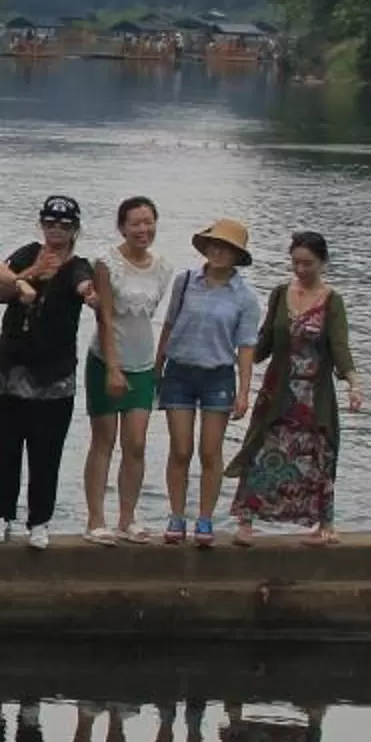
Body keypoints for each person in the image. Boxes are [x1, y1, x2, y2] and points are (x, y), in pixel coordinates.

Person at [229, 231, 366, 544]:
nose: (301, 270)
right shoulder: (279, 293)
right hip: (278, 393)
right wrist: (233, 361)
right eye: (296, 263)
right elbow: (262, 342)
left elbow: (340, 347)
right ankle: (246, 521)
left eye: (308, 264)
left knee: (317, 457)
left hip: (313, 396)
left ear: (323, 263)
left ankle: (324, 524)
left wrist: (354, 384)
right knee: (262, 452)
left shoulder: (332, 300)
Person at [0, 195, 97, 550]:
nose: (56, 231)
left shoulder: (79, 265)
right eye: (50, 224)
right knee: (6, 447)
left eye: (64, 225)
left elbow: (86, 288)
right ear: (41, 225)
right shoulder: (25, 253)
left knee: (47, 452)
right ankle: (2, 514)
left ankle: (39, 520)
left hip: (54, 375)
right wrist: (28, 276)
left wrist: (93, 293)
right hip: (10, 369)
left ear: (75, 229)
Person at [153, 217, 263, 545]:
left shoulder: (245, 297)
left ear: (236, 255)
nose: (218, 252)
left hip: (218, 374)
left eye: (227, 248)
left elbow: (245, 347)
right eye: (215, 244)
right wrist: (157, 368)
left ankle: (204, 519)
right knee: (181, 448)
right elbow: (169, 326)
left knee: (210, 451)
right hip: (179, 371)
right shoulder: (185, 281)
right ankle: (176, 516)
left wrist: (244, 392)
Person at [82, 197, 170, 543]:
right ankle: (95, 519)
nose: (142, 230)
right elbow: (103, 317)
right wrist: (113, 368)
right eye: (135, 223)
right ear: (122, 227)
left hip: (143, 362)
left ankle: (127, 517)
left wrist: (155, 366)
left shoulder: (163, 266)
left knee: (136, 443)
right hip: (106, 360)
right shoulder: (106, 263)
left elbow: (149, 316)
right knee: (104, 440)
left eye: (148, 222)